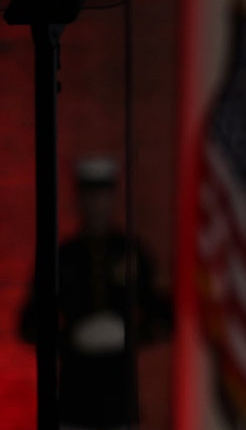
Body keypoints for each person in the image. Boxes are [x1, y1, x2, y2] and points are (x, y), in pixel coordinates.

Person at [19, 156, 173, 429]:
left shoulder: (131, 252)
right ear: (79, 199)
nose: (96, 203)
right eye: (90, 195)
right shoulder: (62, 257)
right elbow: (30, 324)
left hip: (119, 394)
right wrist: (71, 338)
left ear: (112, 197)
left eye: (102, 195)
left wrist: (130, 334)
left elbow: (162, 315)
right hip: (75, 394)